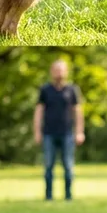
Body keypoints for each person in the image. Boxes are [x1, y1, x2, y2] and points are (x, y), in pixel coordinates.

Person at [34, 60, 85, 201]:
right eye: (56, 70)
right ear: (51, 72)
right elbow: (39, 111)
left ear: (66, 72)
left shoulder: (72, 90)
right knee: (48, 166)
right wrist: (37, 131)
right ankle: (48, 196)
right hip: (49, 133)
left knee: (68, 166)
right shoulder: (45, 90)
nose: (59, 73)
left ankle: (68, 196)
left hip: (67, 133)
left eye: (61, 70)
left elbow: (78, 111)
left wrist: (79, 131)